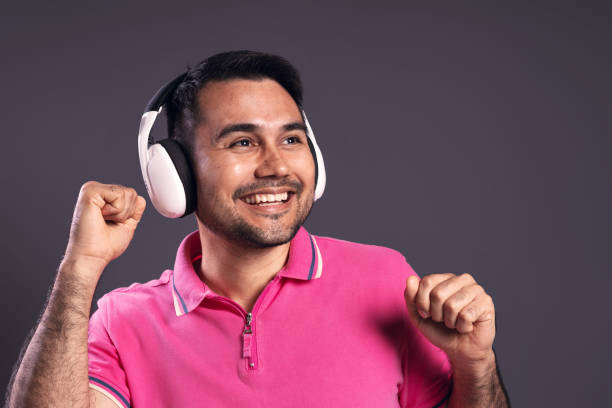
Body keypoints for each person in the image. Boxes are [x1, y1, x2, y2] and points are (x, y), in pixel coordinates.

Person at [7, 51, 510, 407]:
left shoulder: (387, 280)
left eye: (291, 139)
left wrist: (474, 366)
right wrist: (80, 269)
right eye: (242, 143)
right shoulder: (123, 321)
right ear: (175, 174)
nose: (276, 167)